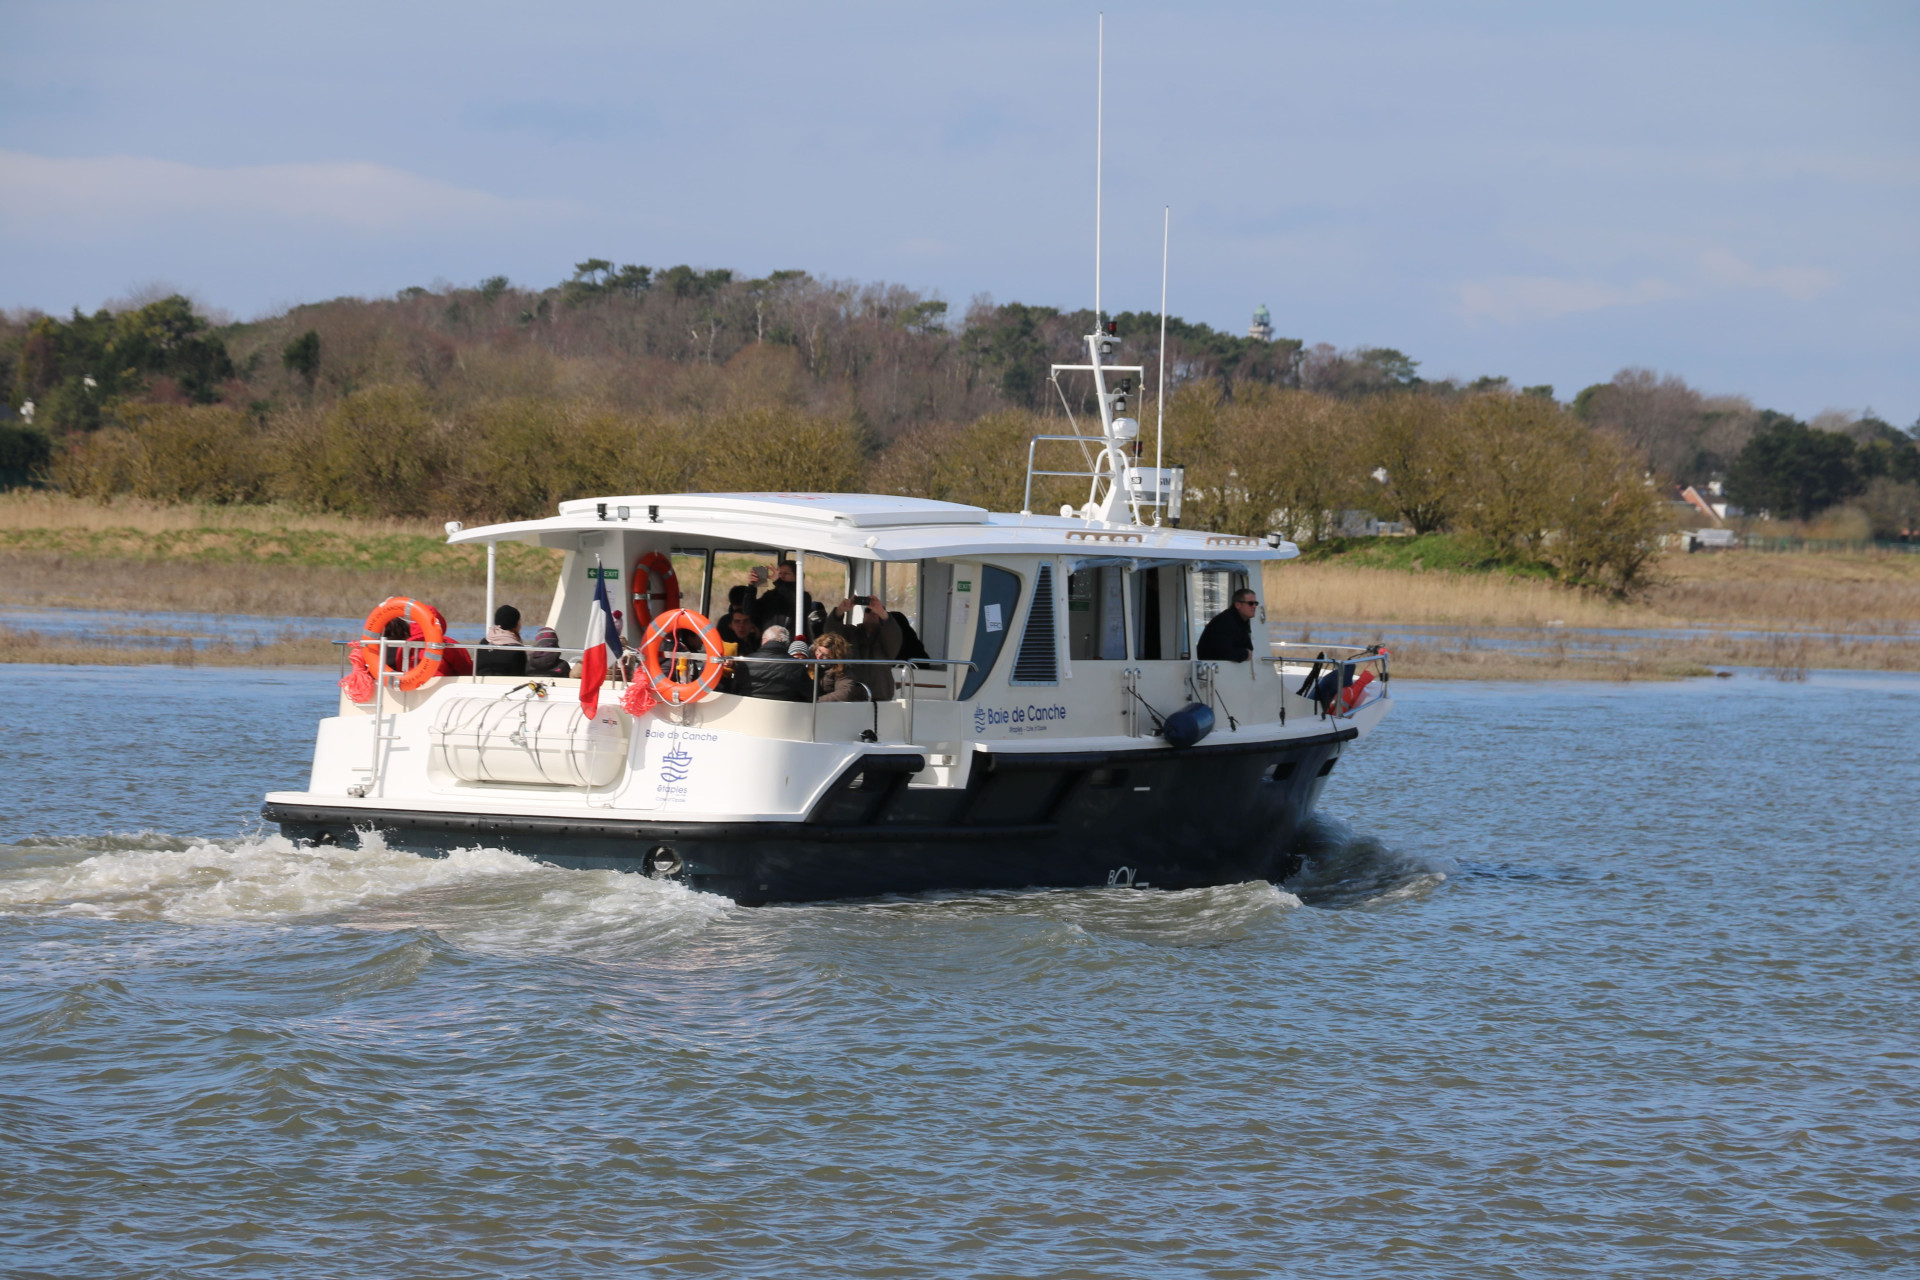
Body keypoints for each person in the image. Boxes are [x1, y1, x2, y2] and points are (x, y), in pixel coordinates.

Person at [825, 594, 902, 699]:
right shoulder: (849, 632)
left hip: (880, 697)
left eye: (876, 612)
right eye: (868, 611)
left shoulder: (886, 639)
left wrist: (883, 613)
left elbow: (895, 638)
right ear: (863, 615)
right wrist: (840, 611)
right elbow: (830, 635)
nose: (873, 614)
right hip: (850, 696)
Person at [729, 624, 812, 702]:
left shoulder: (745, 663)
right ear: (786, 643)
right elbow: (811, 696)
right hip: (785, 716)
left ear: (764, 640)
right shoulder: (797, 667)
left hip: (748, 714)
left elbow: (734, 692)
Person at [746, 557, 816, 632]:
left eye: (786, 573)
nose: (781, 576)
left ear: (797, 577)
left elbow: (794, 602)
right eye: (779, 573)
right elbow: (749, 610)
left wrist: (778, 582)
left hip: (791, 640)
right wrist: (752, 587)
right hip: (769, 639)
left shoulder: (804, 597)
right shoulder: (770, 595)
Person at [1197, 588, 1259, 663]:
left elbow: (1249, 648)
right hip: (1212, 670)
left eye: (1256, 603)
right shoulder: (1224, 622)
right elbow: (1225, 653)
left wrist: (1246, 653)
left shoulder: (1241, 622)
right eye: (1251, 603)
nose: (1254, 606)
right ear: (1238, 605)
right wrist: (1245, 654)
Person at [812, 632, 868, 703]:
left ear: (835, 657)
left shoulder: (842, 670)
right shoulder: (809, 661)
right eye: (818, 650)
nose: (819, 656)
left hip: (825, 708)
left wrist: (816, 701)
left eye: (825, 655)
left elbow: (844, 694)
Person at [476, 604, 527, 676]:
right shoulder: (517, 650)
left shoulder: (483, 643)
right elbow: (519, 677)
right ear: (515, 624)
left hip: (481, 684)